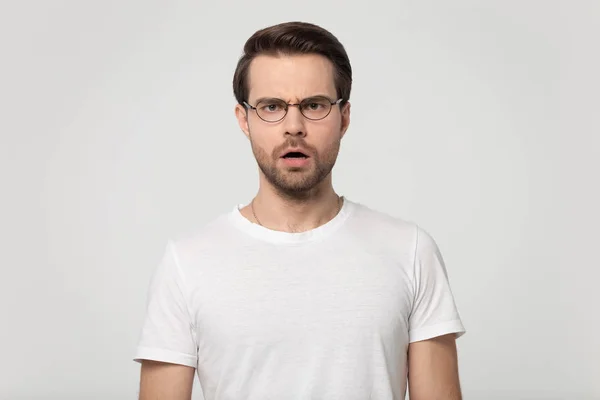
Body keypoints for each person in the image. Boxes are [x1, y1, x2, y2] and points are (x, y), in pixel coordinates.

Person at [133, 21, 466, 400]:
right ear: (245, 120)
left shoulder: (410, 251)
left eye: (314, 105)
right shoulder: (186, 262)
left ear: (344, 117)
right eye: (271, 106)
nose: (294, 126)